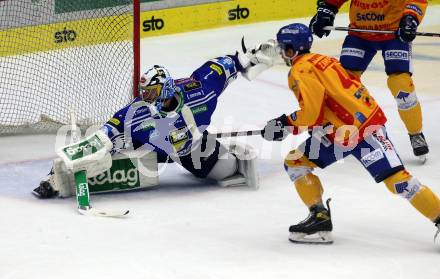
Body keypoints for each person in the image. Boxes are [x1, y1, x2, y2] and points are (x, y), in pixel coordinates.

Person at [261, 23, 440, 244]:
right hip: (344, 130)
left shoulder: (300, 70)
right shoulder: (323, 59)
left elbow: (311, 114)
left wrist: (284, 124)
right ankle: (319, 218)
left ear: (291, 49)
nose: (280, 52)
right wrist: (288, 125)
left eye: (283, 47)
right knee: (296, 162)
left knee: (400, 182)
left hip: (364, 131)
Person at [32, 45, 276, 198]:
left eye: (149, 92)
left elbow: (230, 64)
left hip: (194, 151)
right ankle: (55, 178)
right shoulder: (136, 113)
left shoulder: (200, 89)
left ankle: (227, 158)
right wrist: (71, 158)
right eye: (143, 92)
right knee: (108, 154)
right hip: (153, 150)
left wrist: (254, 57)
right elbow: (105, 135)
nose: (143, 97)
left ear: (165, 90)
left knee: (227, 170)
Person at [309, 0, 429, 161]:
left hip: (394, 34)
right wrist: (327, 10)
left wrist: (410, 18)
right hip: (360, 36)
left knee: (400, 83)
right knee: (340, 83)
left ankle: (416, 133)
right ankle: (332, 130)